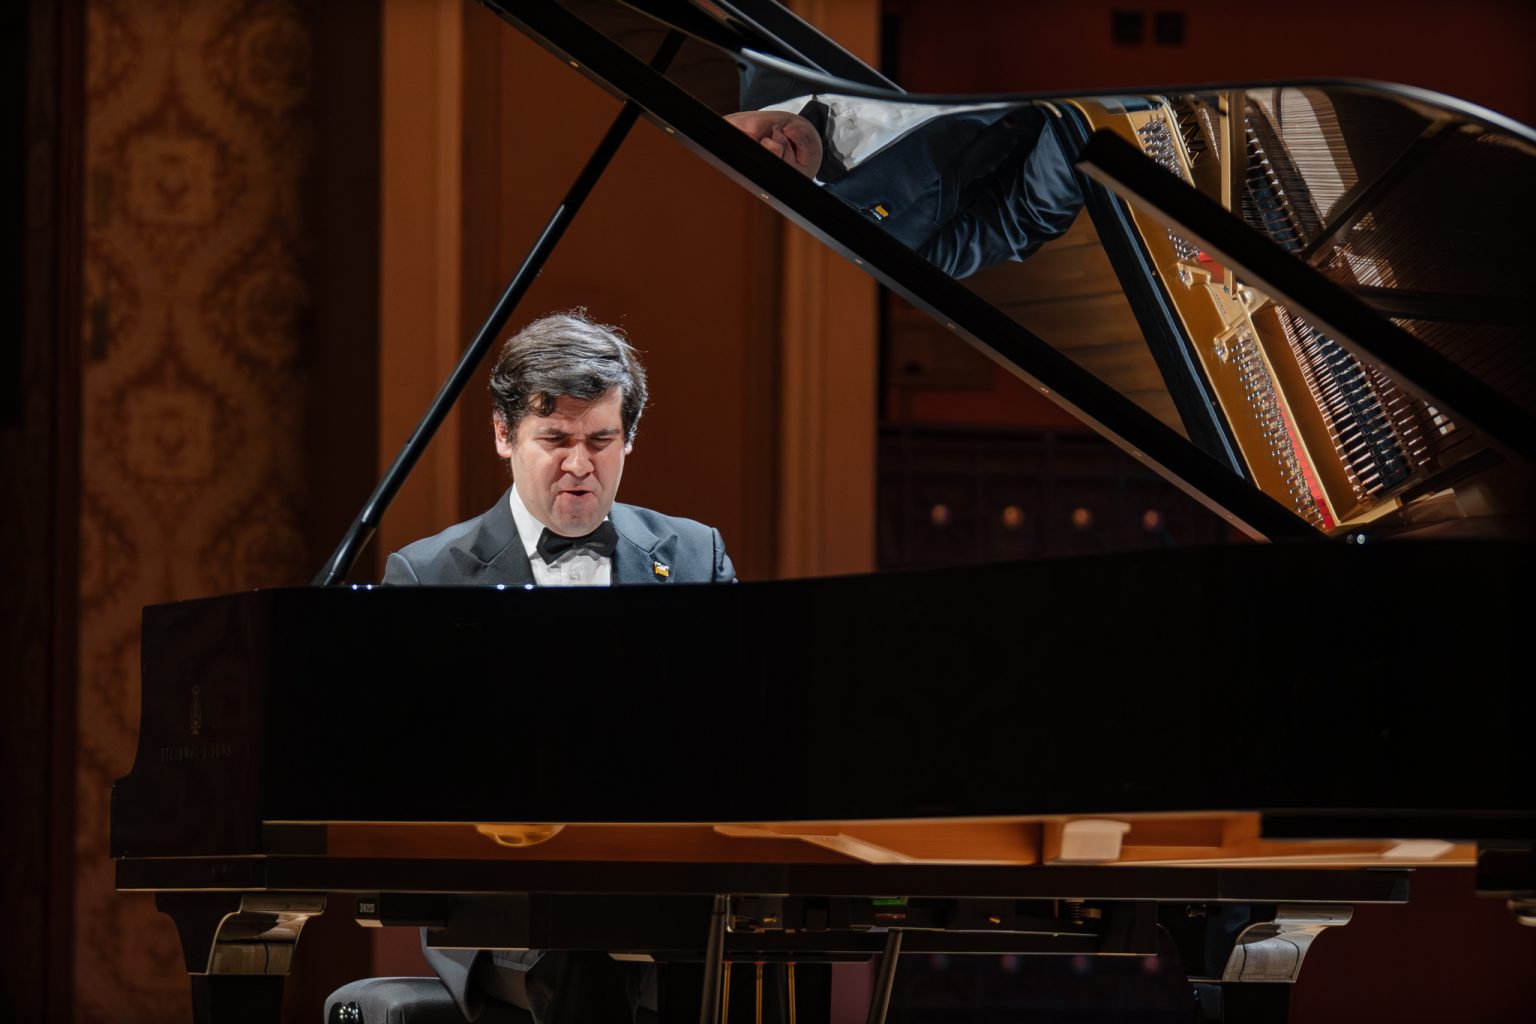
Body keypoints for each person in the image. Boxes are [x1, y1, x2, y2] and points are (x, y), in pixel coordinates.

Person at [383, 310, 735, 1023]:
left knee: (765, 944)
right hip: (505, 904)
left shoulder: (695, 555)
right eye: (555, 440)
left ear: (628, 438)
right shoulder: (428, 577)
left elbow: (735, 730)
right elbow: (407, 770)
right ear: (503, 435)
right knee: (583, 941)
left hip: (669, 887)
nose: (580, 464)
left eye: (601, 440)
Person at [725, 76, 1083, 279]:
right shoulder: (879, 245)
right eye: (766, 176)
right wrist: (1077, 122)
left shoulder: (766, 36)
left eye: (748, 144)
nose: (774, 148)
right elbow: (1021, 219)